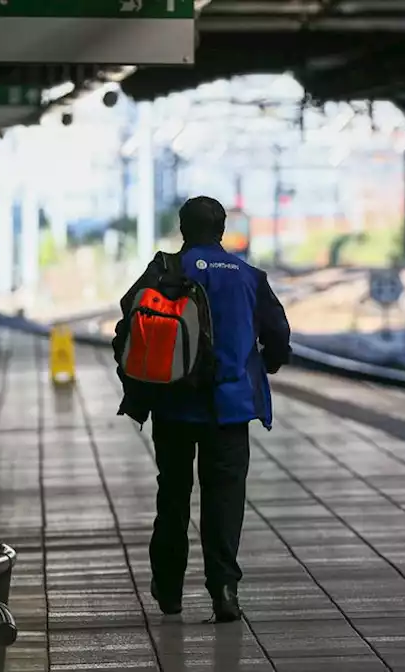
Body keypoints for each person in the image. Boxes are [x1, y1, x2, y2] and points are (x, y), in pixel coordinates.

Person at [111, 196, 292, 623]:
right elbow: (278, 333)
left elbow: (128, 320)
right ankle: (224, 589)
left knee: (172, 494)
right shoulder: (248, 276)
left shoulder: (165, 270)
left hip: (173, 405)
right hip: (228, 410)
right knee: (224, 498)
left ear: (183, 229)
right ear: (222, 230)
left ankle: (169, 588)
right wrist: (267, 362)